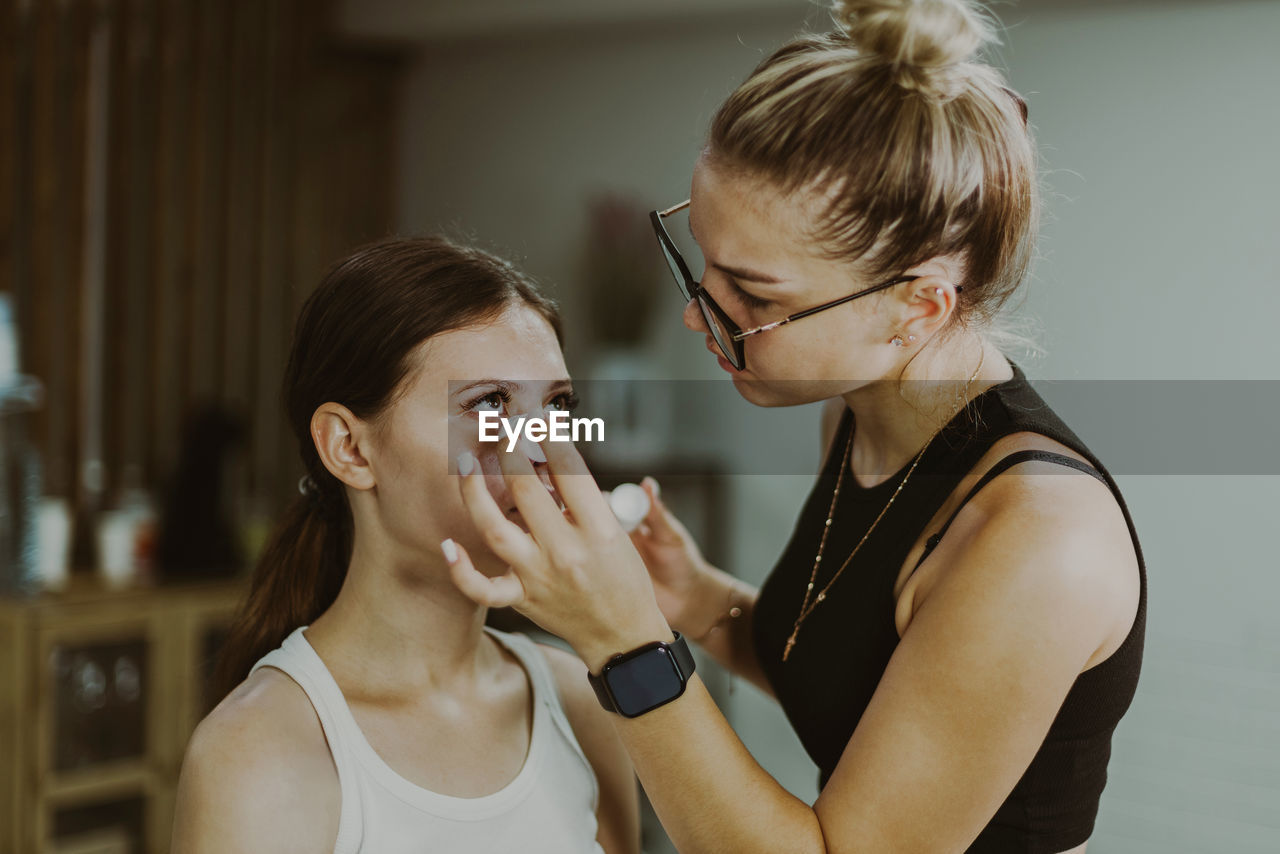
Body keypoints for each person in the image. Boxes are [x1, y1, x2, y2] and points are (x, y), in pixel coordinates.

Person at [442, 1, 1146, 852]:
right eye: (698, 261)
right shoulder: (863, 418)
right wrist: (697, 600)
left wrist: (622, 640)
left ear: (917, 306)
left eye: (756, 297)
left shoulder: (1037, 538)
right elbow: (864, 678)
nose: (704, 319)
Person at [170, 237, 640, 854]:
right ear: (350, 448)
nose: (544, 453)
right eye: (491, 404)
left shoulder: (581, 700)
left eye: (556, 406)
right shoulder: (258, 754)